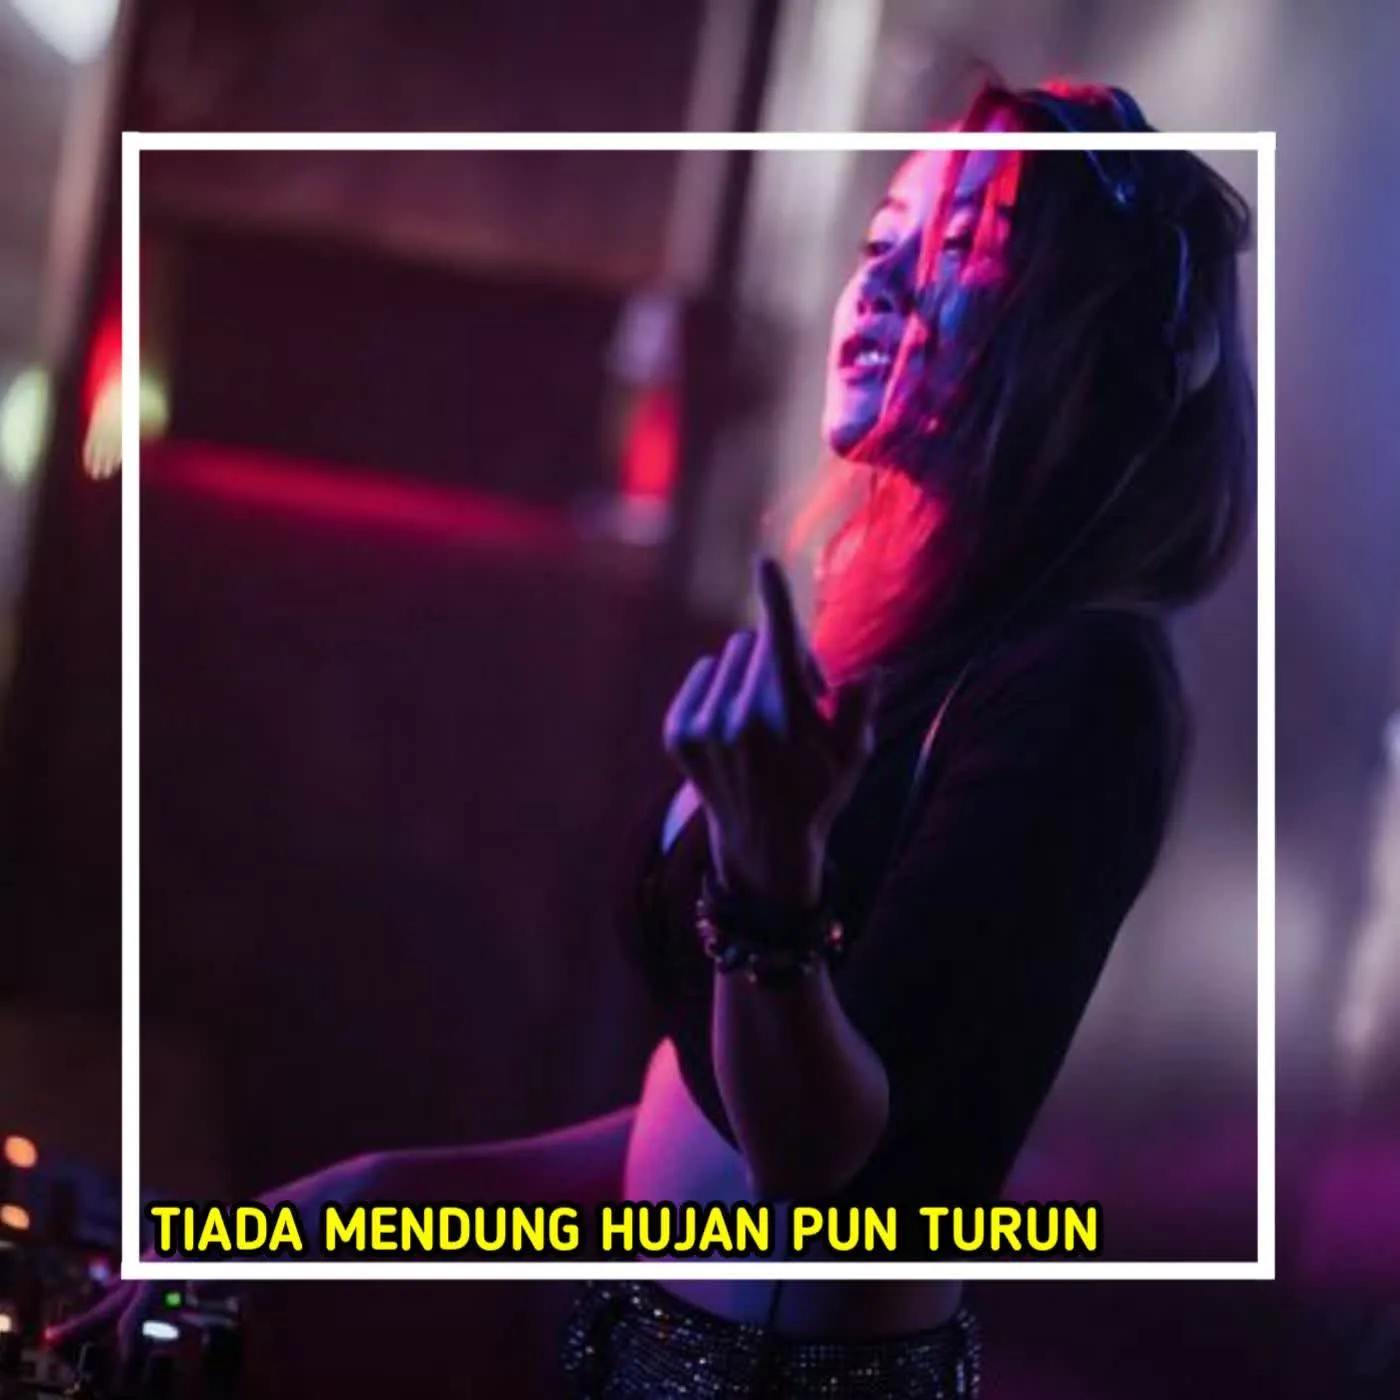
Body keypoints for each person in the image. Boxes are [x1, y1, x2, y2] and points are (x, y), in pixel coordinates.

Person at [51, 79, 1254, 1397]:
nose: (883, 285)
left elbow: (818, 1172)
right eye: (882, 242)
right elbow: (698, 1150)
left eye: (963, 250)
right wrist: (348, 1212)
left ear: (1085, 343)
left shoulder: (1082, 688)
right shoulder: (891, 652)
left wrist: (766, 881)